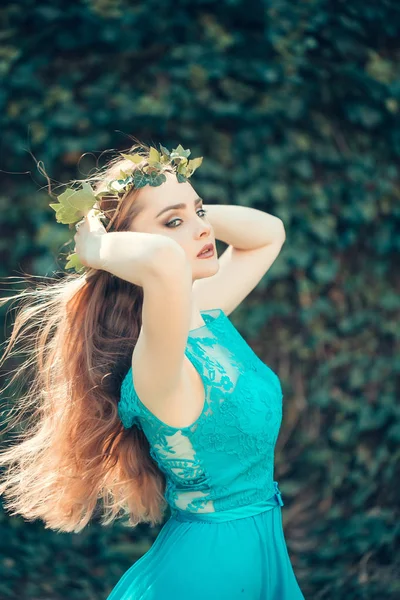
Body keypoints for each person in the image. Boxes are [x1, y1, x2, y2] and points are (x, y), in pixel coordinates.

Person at [0, 141, 305, 599]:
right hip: (207, 574)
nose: (203, 230)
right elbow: (163, 264)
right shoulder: (157, 357)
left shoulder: (200, 319)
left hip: (251, 551)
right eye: (173, 223)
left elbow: (268, 233)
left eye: (199, 212)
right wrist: (97, 245)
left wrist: (181, 210)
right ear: (132, 250)